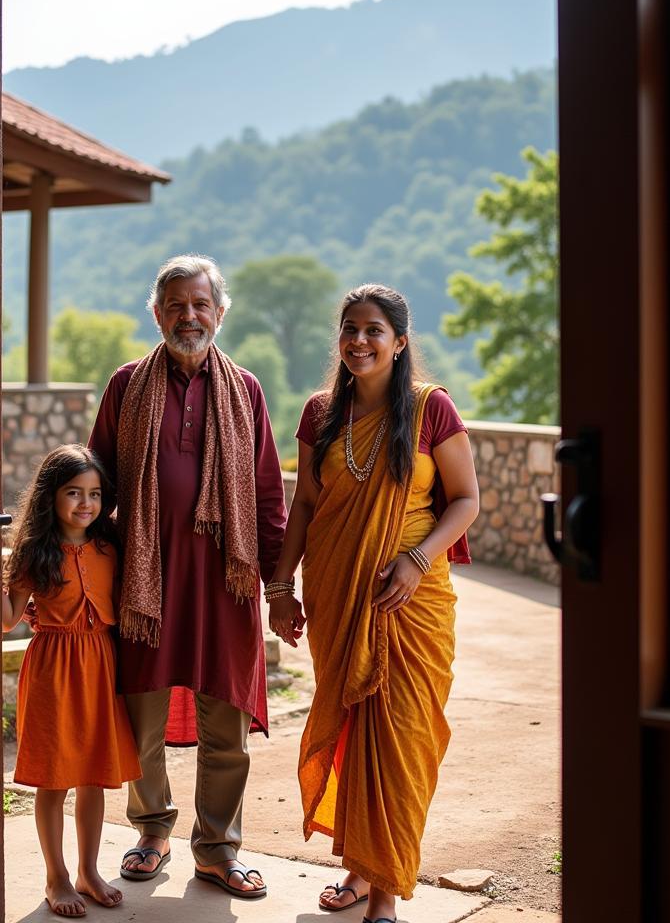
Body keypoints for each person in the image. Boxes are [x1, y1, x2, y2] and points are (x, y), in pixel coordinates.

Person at [267, 283, 479, 923]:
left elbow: (466, 499)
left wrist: (417, 561)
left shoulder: (430, 410)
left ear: (400, 342)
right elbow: (305, 505)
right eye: (349, 329)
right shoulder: (320, 413)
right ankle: (360, 871)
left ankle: (383, 892)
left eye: (373, 330)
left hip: (409, 598)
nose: (359, 341)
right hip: (337, 592)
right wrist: (280, 588)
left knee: (401, 736)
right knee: (355, 729)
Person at [88, 254, 286, 899]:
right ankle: (150, 829)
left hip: (225, 582)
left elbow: (264, 493)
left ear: (220, 313)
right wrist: (76, 566)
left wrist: (279, 585)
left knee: (224, 717)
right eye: (175, 305)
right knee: (139, 711)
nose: (188, 316)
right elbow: (97, 485)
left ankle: (219, 848)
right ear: (156, 314)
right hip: (145, 578)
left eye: (200, 304)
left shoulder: (246, 390)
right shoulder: (126, 386)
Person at [2, 444, 141, 918]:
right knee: (54, 780)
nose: (86, 503)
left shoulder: (109, 546)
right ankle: (56, 876)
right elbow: (4, 621)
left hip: (101, 668)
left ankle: (88, 870)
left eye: (95, 494)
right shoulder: (33, 553)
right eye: (74, 493)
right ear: (51, 497)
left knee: (94, 778)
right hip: (52, 672)